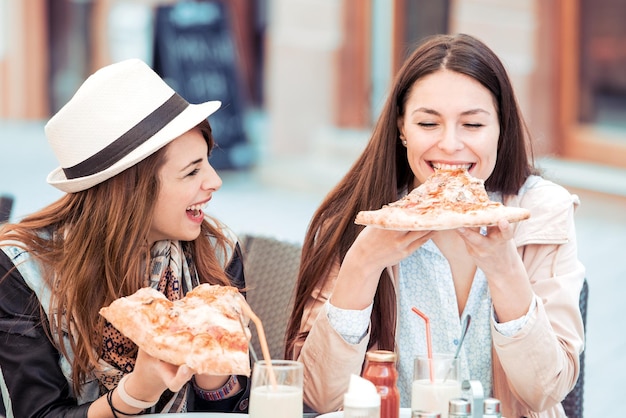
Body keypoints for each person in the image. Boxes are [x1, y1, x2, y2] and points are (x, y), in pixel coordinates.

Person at [285, 33, 585, 418]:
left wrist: (505, 269)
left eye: (473, 125)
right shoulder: (358, 218)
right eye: (428, 123)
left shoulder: (542, 213)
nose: (450, 144)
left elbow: (545, 392)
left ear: (501, 128)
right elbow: (320, 397)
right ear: (402, 127)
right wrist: (361, 266)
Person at [0, 59, 250, 416]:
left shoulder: (216, 250)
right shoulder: (22, 270)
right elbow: (38, 411)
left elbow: (240, 407)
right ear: (131, 190)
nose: (214, 181)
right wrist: (134, 395)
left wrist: (216, 374)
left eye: (207, 161)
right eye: (192, 171)